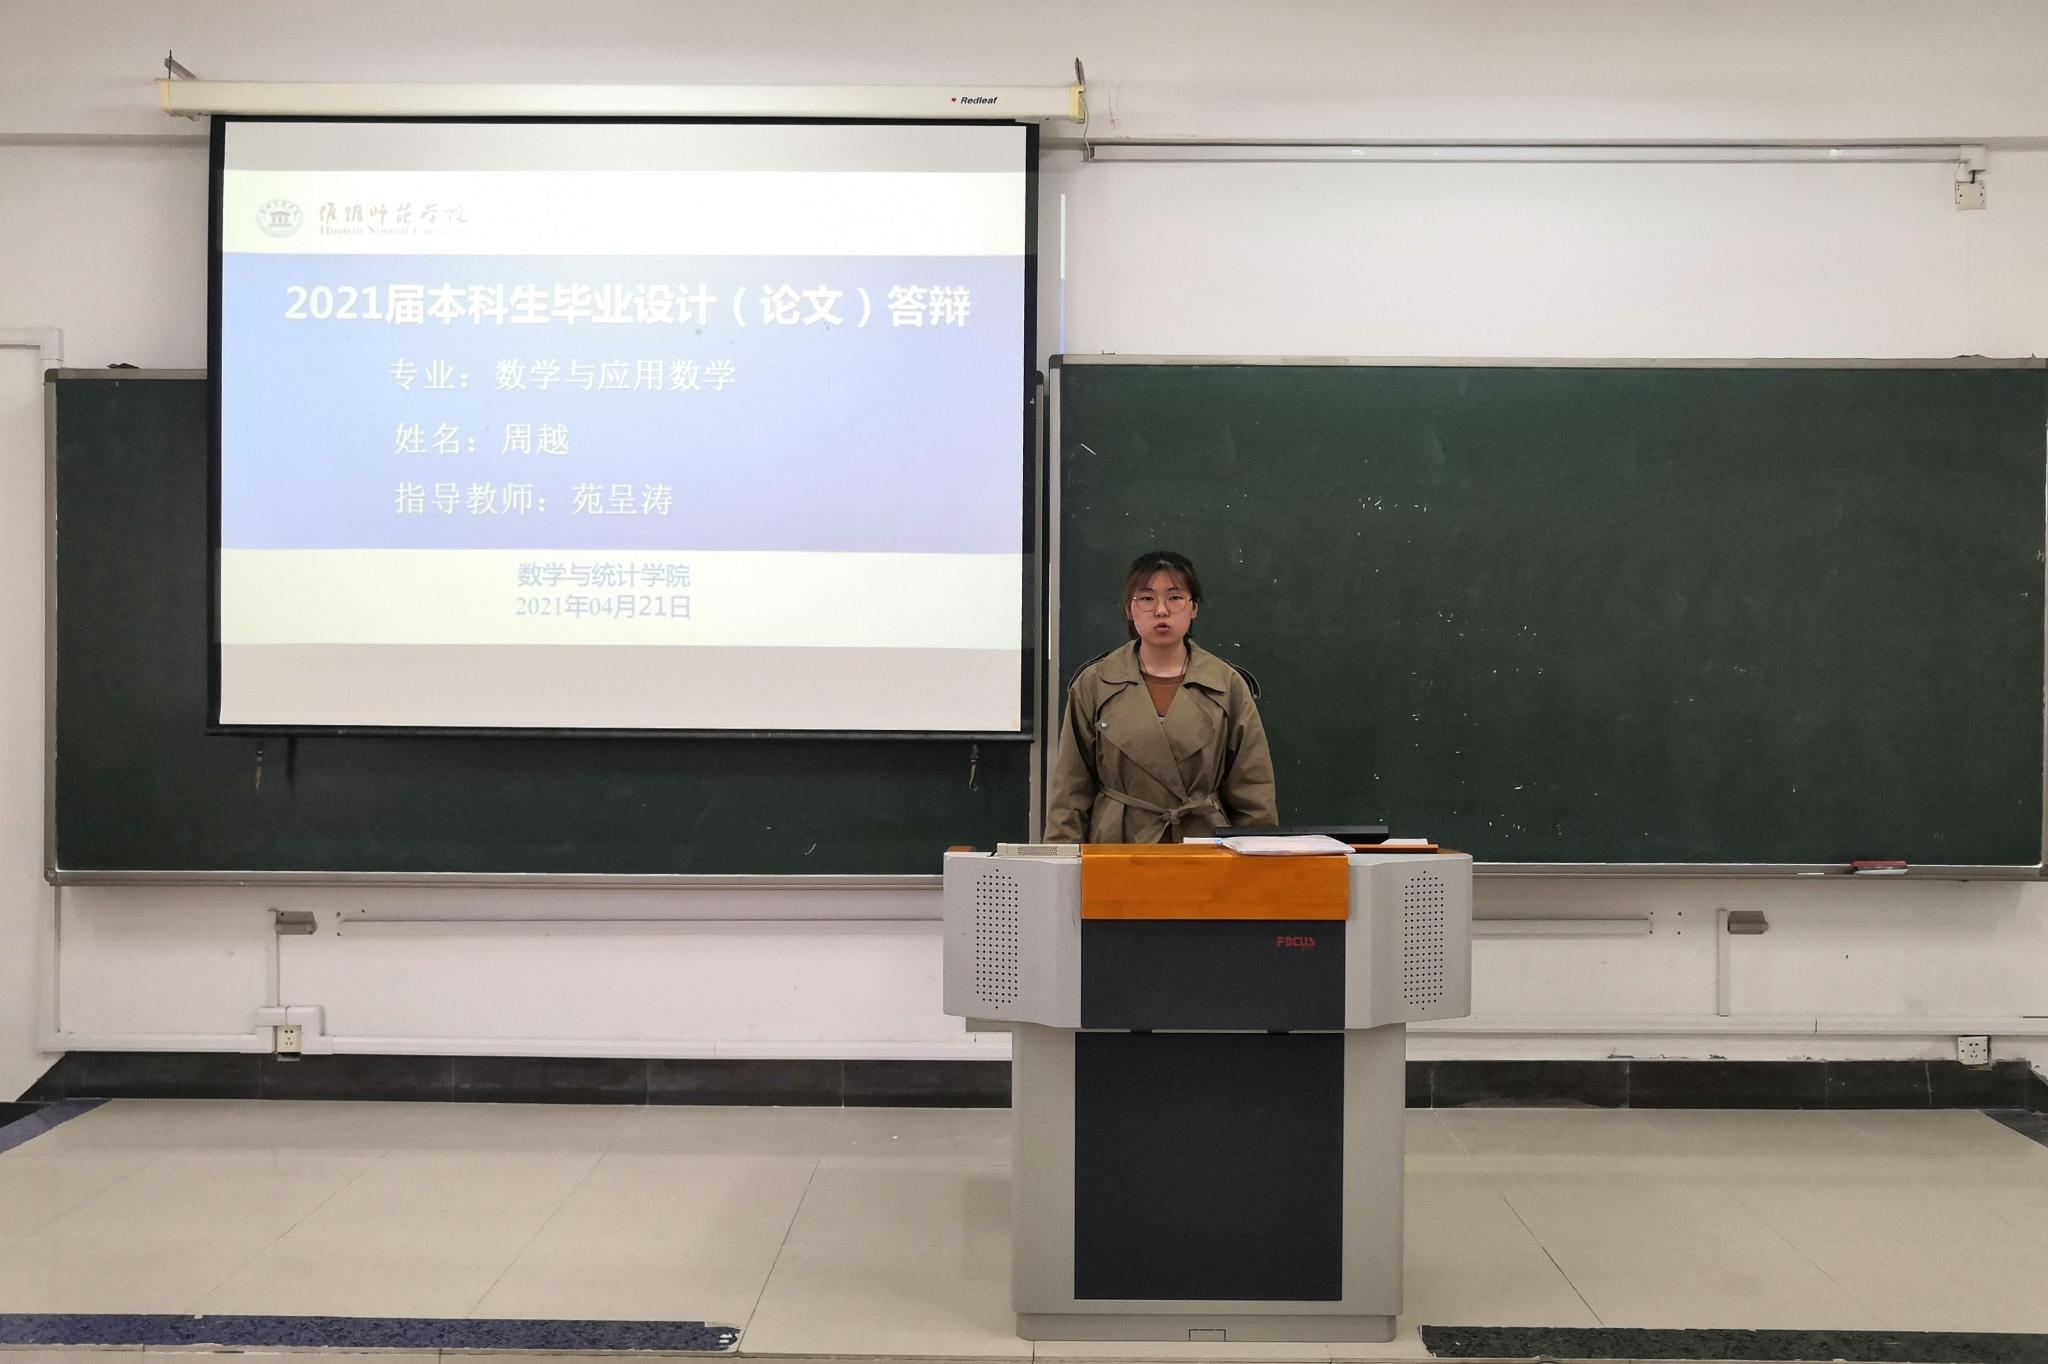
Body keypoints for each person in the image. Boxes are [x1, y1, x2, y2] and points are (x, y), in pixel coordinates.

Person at [1045, 549, 1278, 843]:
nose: (1161, 610)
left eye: (1175, 597)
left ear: (1193, 608)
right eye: (1146, 598)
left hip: (1202, 844)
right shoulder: (1095, 683)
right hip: (1118, 845)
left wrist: (1259, 856)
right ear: (1129, 609)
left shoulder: (1226, 685)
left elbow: (1252, 788)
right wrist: (1061, 859)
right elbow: (1070, 789)